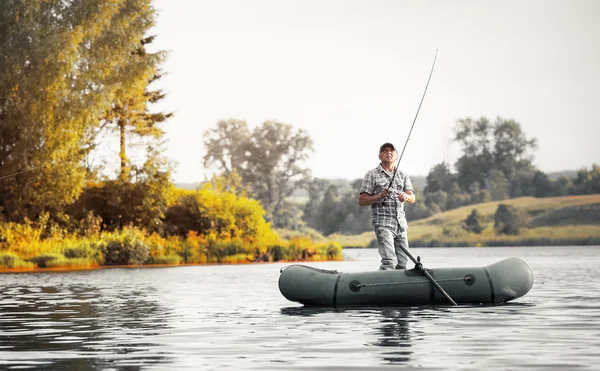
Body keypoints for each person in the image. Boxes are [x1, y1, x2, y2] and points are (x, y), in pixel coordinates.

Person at [358, 142, 416, 270]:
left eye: (391, 151)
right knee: (389, 261)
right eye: (385, 151)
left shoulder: (403, 175)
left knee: (402, 263)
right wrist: (379, 196)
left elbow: (412, 197)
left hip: (401, 225)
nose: (388, 153)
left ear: (396, 156)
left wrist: (406, 197)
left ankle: (399, 288)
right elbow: (362, 200)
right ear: (379, 156)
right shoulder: (371, 174)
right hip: (383, 224)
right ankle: (380, 286)